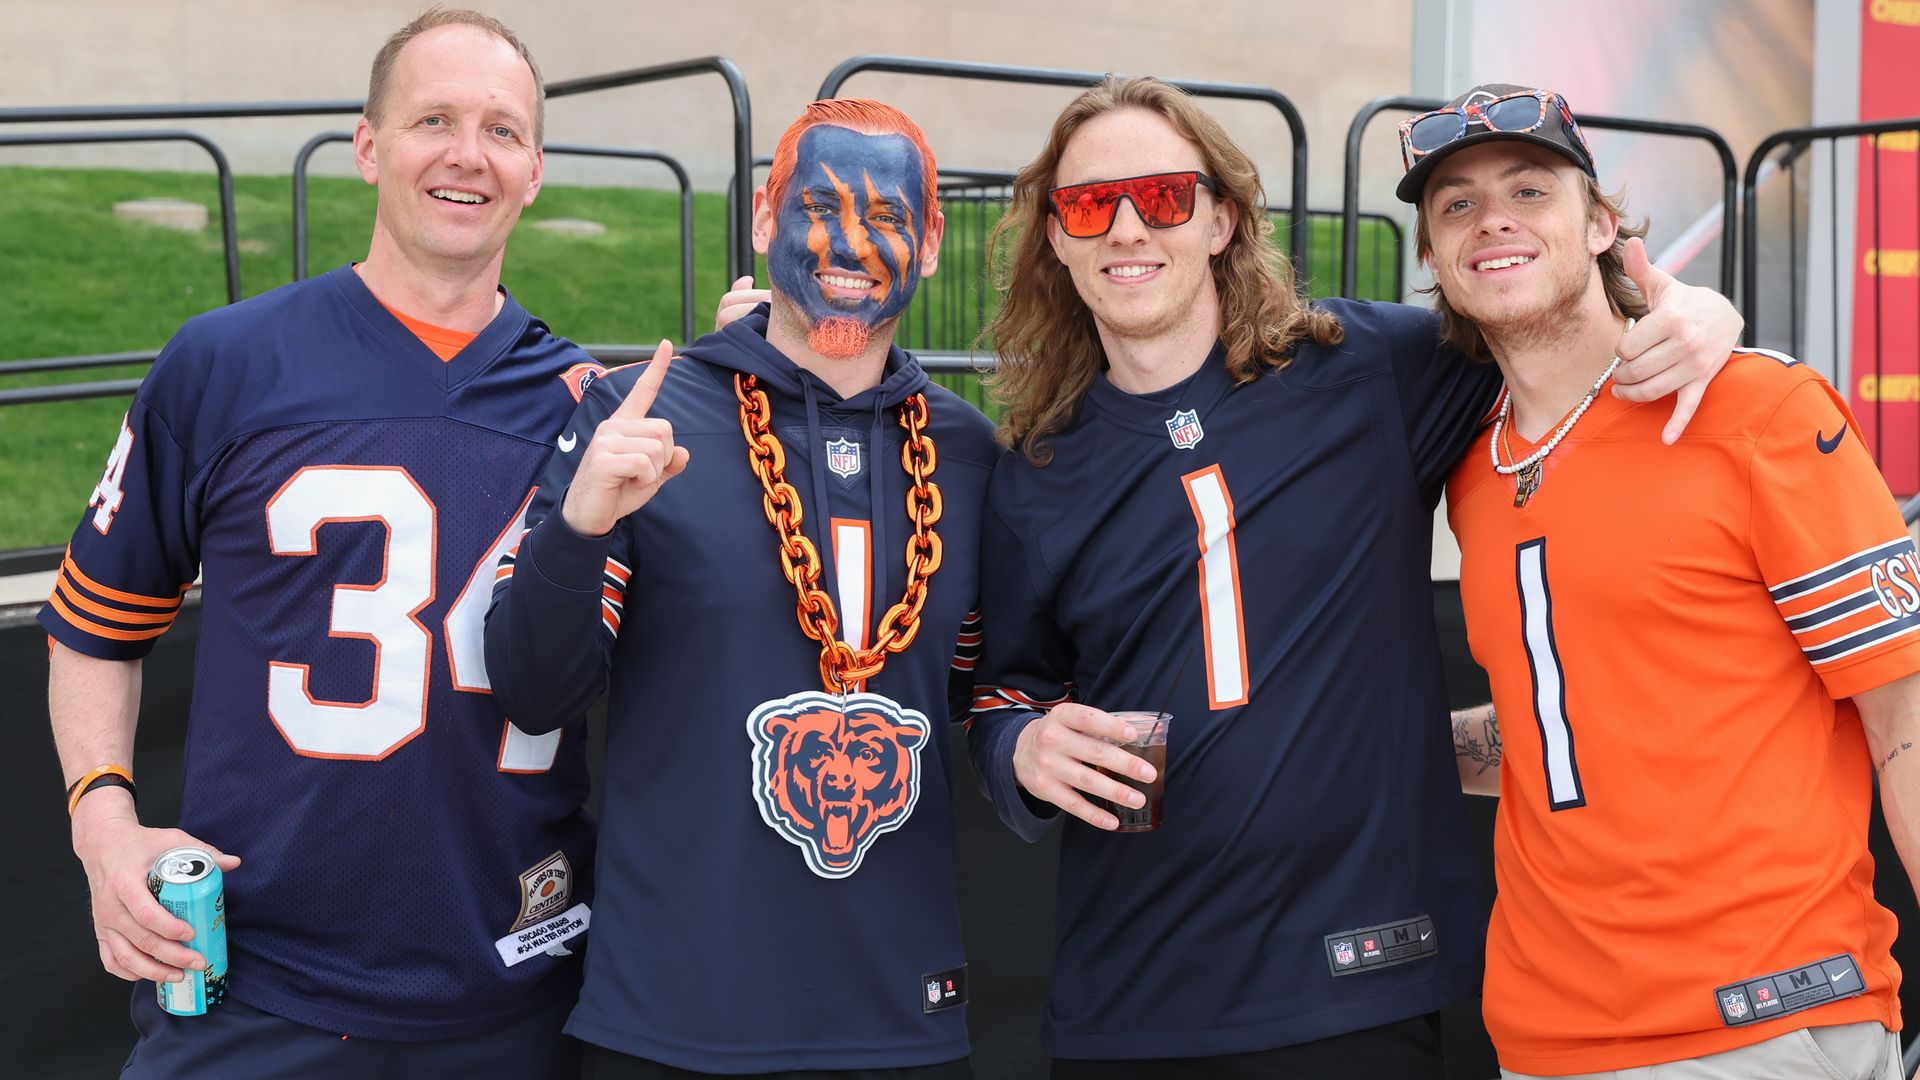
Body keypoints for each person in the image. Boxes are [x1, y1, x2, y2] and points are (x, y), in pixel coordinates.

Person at [964, 74, 1745, 1078]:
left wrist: (1690, 311)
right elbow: (1000, 690)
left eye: (1161, 197)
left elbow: (1553, 325)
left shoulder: (1365, 371)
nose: (1126, 228)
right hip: (1131, 1005)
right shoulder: (1034, 472)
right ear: (1056, 240)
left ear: (1221, 220)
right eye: (1087, 205)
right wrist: (1020, 747)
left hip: (1363, 991)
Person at [43, 10, 599, 1077]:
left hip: (515, 991)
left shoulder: (585, 405)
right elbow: (97, 624)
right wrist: (102, 824)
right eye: (433, 118)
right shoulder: (223, 365)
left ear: (534, 170)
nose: (465, 155)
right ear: (368, 145)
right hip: (256, 986)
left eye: (501, 130)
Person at [1412, 83, 1919, 1080]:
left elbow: (1901, 719)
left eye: (1529, 188)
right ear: (1431, 257)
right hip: (1547, 1042)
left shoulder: (1755, 409)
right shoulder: (1472, 467)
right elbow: (1558, 723)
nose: (1493, 220)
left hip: (1765, 1025)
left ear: (1604, 223)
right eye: (1456, 204)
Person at [483, 98, 995, 1079]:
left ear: (930, 241)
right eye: (818, 208)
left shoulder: (970, 457)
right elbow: (533, 690)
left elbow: (999, 691)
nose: (850, 242)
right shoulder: (636, 414)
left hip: (904, 1029)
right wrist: (581, 521)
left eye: (886, 217)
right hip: (672, 1030)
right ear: (765, 219)